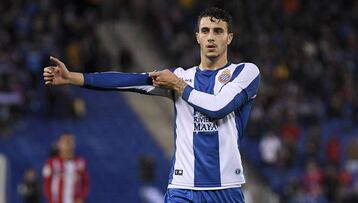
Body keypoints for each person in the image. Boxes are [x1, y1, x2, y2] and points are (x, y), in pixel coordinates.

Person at [43, 7, 260, 203]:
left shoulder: (245, 73)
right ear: (197, 37)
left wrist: (178, 85)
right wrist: (73, 77)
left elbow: (218, 107)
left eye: (218, 31)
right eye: (205, 31)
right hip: (182, 189)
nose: (211, 37)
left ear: (229, 37)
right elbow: (128, 81)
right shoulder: (181, 76)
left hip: (225, 189)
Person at [42, 133, 90, 203]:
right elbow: (46, 184)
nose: (68, 144)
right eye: (65, 141)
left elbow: (86, 183)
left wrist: (82, 197)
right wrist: (51, 200)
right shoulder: (51, 163)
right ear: (59, 144)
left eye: (70, 141)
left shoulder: (80, 162)